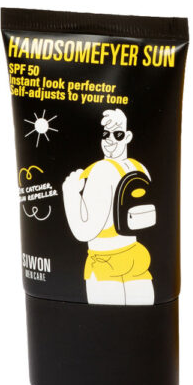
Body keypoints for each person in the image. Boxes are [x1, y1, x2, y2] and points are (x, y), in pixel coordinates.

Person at [63, 108, 154, 305]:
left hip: (104, 262)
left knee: (104, 321)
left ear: (128, 137)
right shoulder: (140, 168)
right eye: (106, 134)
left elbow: (83, 232)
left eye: (117, 134)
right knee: (144, 319)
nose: (110, 140)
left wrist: (69, 192)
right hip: (136, 257)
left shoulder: (101, 171)